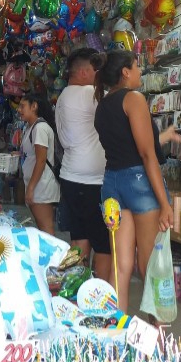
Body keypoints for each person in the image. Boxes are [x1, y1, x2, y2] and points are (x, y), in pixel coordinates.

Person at [92, 50, 181, 312]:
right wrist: (164, 204)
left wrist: (164, 136)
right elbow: (145, 154)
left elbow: (129, 146)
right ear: (125, 72)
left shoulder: (102, 106)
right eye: (136, 66)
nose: (140, 71)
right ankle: (159, 330)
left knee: (120, 267)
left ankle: (117, 328)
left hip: (111, 185)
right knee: (151, 264)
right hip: (139, 183)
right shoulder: (134, 99)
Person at [55, 48, 111, 281]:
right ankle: (101, 293)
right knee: (104, 244)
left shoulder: (63, 97)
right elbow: (118, 105)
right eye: (96, 69)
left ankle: (75, 290)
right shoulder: (89, 94)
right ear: (85, 71)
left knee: (79, 240)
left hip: (70, 176)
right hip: (92, 182)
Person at [18, 93, 61, 234]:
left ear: (34, 106)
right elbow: (33, 154)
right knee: (42, 227)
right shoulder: (30, 127)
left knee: (46, 228)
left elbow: (41, 160)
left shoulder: (40, 128)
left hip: (41, 186)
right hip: (37, 184)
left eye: (22, 106)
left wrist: (31, 188)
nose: (19, 109)